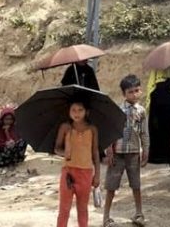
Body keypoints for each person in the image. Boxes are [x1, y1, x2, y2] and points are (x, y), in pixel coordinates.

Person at [102, 75, 149, 227]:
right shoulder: (117, 110)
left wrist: (146, 149)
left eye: (137, 90)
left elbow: (144, 132)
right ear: (124, 94)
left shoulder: (141, 111)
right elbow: (110, 131)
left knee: (136, 184)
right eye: (130, 92)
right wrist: (109, 150)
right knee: (111, 185)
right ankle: (106, 217)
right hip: (118, 152)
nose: (134, 94)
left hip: (134, 152)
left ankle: (139, 214)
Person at [54, 100, 101, 227]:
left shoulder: (92, 129)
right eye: (73, 110)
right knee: (64, 208)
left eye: (80, 110)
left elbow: (95, 152)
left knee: (83, 208)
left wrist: (97, 175)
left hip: (86, 173)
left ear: (87, 112)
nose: (77, 113)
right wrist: (64, 152)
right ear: (69, 112)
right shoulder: (65, 127)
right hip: (68, 172)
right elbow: (57, 148)